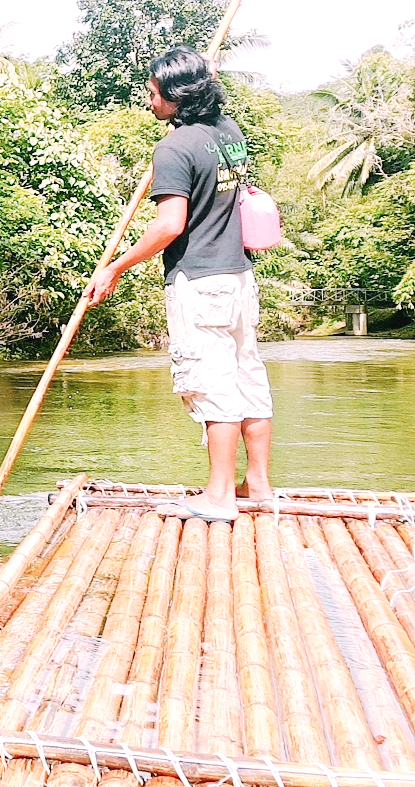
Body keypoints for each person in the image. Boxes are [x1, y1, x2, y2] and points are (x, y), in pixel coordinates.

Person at [86, 46, 273, 522]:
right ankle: (258, 485)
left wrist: (114, 268)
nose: (148, 101)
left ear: (176, 97)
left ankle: (218, 497)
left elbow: (170, 225)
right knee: (247, 375)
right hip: (240, 277)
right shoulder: (229, 133)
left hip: (200, 281)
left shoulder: (173, 149)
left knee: (214, 386)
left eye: (153, 93)